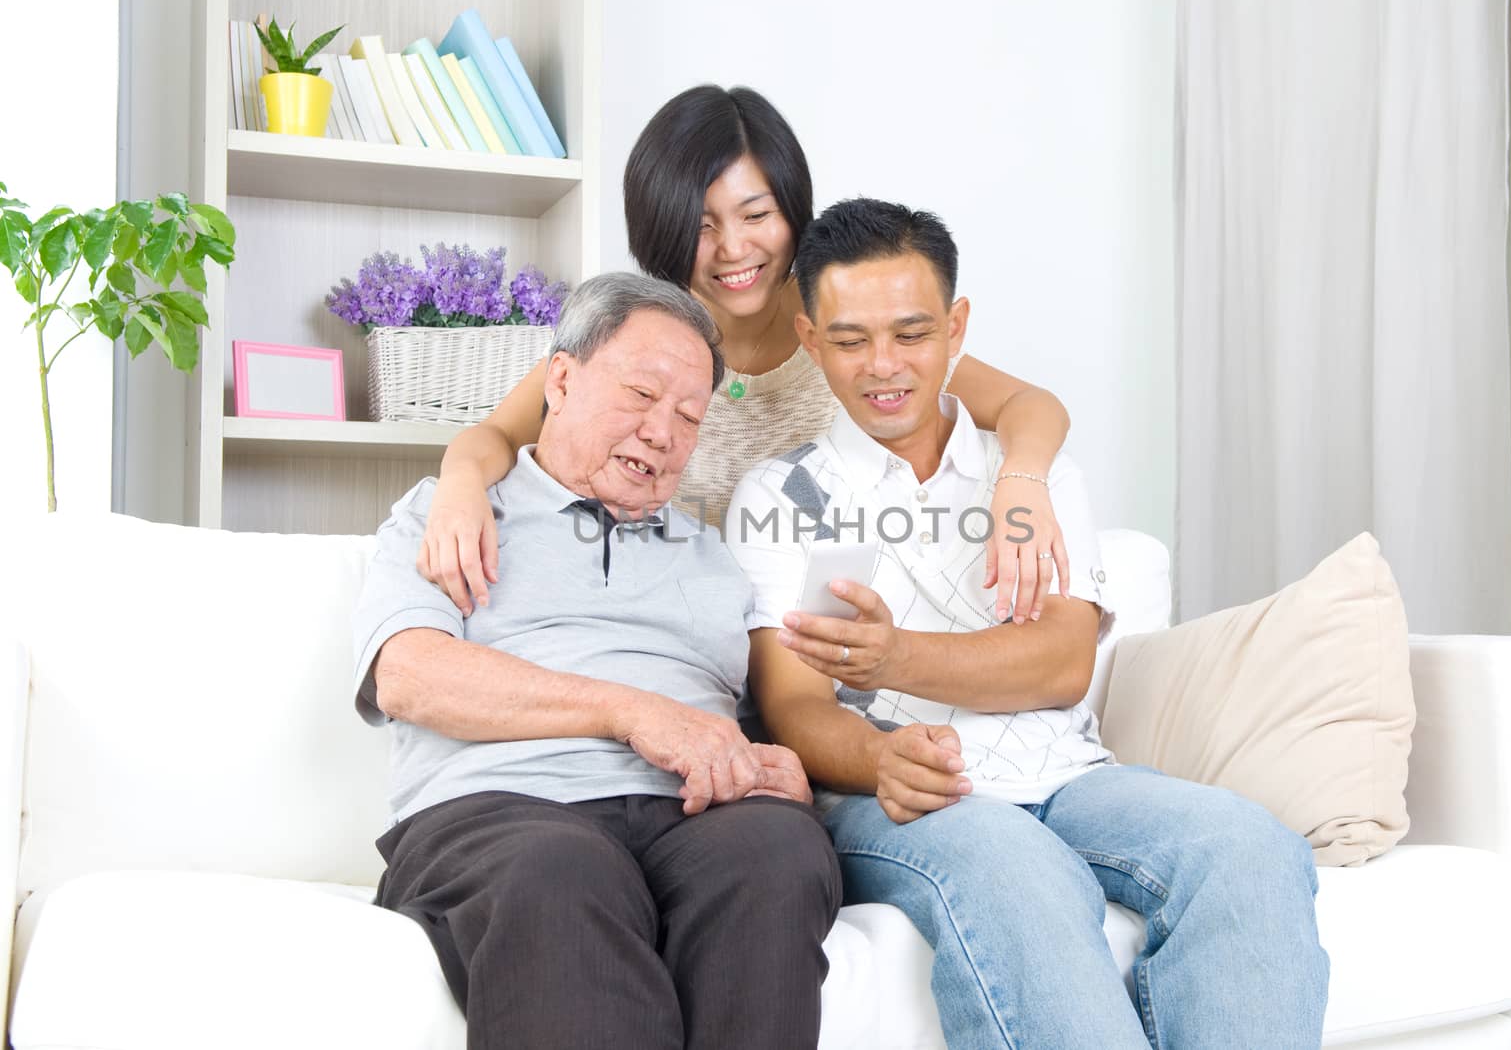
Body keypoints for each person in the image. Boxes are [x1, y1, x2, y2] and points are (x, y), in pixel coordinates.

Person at [727, 198, 1329, 1049]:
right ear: (811, 339)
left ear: (956, 327)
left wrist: (897, 654)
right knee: (1021, 873)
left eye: (912, 333)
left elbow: (1059, 666)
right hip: (903, 799)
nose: (884, 366)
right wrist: (879, 755)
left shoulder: (1031, 478)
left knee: (1249, 848)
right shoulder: (790, 499)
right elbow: (797, 707)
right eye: (851, 340)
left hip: (1069, 774)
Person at [352, 272, 842, 1050]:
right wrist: (628, 711)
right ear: (561, 379)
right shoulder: (453, 510)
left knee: (778, 850)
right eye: (641, 395)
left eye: (689, 416)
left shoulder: (718, 559)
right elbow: (410, 677)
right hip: (504, 810)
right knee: (558, 872)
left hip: (692, 816)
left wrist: (779, 769)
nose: (663, 433)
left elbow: (766, 720)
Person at [418, 84, 1073, 628]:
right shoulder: (643, 339)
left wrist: (1024, 481)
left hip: (814, 651)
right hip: (678, 639)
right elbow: (497, 435)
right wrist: (459, 488)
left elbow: (1029, 405)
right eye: (701, 226)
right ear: (663, 230)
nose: (734, 249)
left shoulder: (844, 328)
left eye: (756, 215)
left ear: (793, 211)